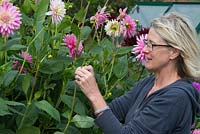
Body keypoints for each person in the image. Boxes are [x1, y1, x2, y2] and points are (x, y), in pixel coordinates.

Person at [74, 12, 200, 134]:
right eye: (146, 43)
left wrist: (94, 94)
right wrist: (89, 85)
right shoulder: (150, 83)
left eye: (152, 45)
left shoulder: (176, 98)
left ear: (173, 52)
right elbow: (112, 112)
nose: (144, 50)